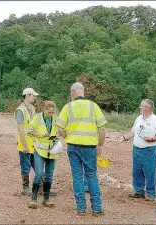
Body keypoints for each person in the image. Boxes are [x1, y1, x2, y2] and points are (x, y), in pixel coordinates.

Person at [55, 82, 106, 216]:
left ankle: (81, 209)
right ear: (83, 91)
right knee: (91, 176)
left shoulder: (68, 107)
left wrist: (67, 137)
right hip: (89, 147)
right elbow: (102, 128)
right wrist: (100, 145)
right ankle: (96, 209)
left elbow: (60, 127)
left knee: (77, 177)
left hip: (73, 146)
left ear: (73, 92)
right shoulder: (93, 106)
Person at [26, 101, 64, 208]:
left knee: (49, 176)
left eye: (52, 112)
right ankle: (33, 200)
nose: (51, 114)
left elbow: (62, 130)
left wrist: (62, 136)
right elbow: (29, 130)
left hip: (52, 151)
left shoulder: (56, 118)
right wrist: (40, 135)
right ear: (44, 109)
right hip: (39, 150)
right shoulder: (37, 118)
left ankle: (46, 199)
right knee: (38, 174)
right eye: (49, 112)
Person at [122, 99, 156, 201]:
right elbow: (133, 132)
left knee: (150, 172)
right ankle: (139, 191)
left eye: (142, 106)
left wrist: (152, 139)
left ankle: (151, 193)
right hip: (136, 149)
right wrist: (124, 137)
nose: (140, 107)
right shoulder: (139, 118)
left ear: (148, 108)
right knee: (137, 171)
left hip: (149, 150)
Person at [15, 88, 38, 195]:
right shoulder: (20, 110)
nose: (35, 97)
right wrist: (24, 145)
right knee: (26, 166)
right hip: (25, 144)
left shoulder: (32, 108)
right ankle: (25, 187)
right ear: (27, 95)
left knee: (37, 165)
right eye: (33, 95)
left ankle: (41, 186)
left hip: (33, 143)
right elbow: (20, 129)